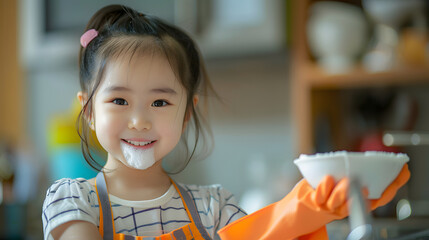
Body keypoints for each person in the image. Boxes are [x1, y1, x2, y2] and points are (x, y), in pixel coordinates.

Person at [42, 5, 410, 240]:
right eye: (119, 100)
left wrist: (309, 210)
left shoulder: (215, 207)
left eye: (160, 102)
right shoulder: (73, 200)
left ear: (187, 113)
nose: (139, 121)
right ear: (88, 110)